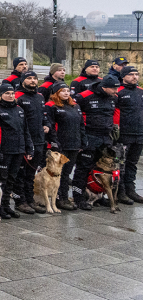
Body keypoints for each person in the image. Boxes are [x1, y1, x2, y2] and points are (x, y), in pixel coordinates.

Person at [72, 75, 120, 210]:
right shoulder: (84, 96)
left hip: (106, 137)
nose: (116, 92)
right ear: (104, 87)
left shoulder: (113, 98)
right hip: (89, 136)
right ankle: (78, 197)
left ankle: (99, 195)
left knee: (102, 168)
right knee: (83, 168)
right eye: (114, 89)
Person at [0, 82, 30, 219]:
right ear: (1, 95)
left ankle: (5, 205)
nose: (10, 96)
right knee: (2, 180)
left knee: (12, 179)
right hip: (4, 150)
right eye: (7, 93)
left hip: (18, 149)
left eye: (12, 93)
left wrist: (29, 147)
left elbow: (25, 130)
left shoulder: (19, 109)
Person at [44, 83, 84, 211]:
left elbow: (81, 125)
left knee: (67, 173)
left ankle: (64, 197)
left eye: (67, 91)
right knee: (57, 173)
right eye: (63, 91)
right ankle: (57, 198)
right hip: (60, 145)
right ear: (56, 93)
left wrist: (83, 141)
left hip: (74, 144)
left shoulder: (75, 106)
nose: (66, 93)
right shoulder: (51, 106)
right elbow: (49, 125)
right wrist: (54, 141)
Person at [13, 71, 47, 214]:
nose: (32, 81)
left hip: (39, 140)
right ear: (22, 81)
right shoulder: (18, 96)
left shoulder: (40, 96)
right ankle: (20, 201)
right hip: (25, 141)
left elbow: (43, 114)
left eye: (34, 78)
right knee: (21, 173)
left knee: (31, 173)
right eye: (29, 78)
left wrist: (46, 125)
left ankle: (30, 199)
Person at [116, 66, 143, 203]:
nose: (135, 77)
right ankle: (120, 192)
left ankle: (130, 189)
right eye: (131, 74)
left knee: (132, 163)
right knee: (121, 163)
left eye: (136, 74)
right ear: (123, 76)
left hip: (139, 133)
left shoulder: (140, 92)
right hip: (124, 134)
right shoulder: (118, 92)